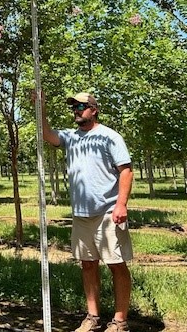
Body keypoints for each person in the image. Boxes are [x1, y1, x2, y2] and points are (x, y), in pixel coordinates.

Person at [41, 92, 134, 332]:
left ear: (94, 110)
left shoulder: (109, 137)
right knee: (88, 264)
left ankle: (120, 321)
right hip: (81, 214)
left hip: (108, 212)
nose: (77, 110)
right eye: (74, 107)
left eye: (82, 106)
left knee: (116, 264)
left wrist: (121, 204)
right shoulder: (71, 137)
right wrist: (40, 107)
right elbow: (47, 135)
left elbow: (126, 171)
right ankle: (93, 318)